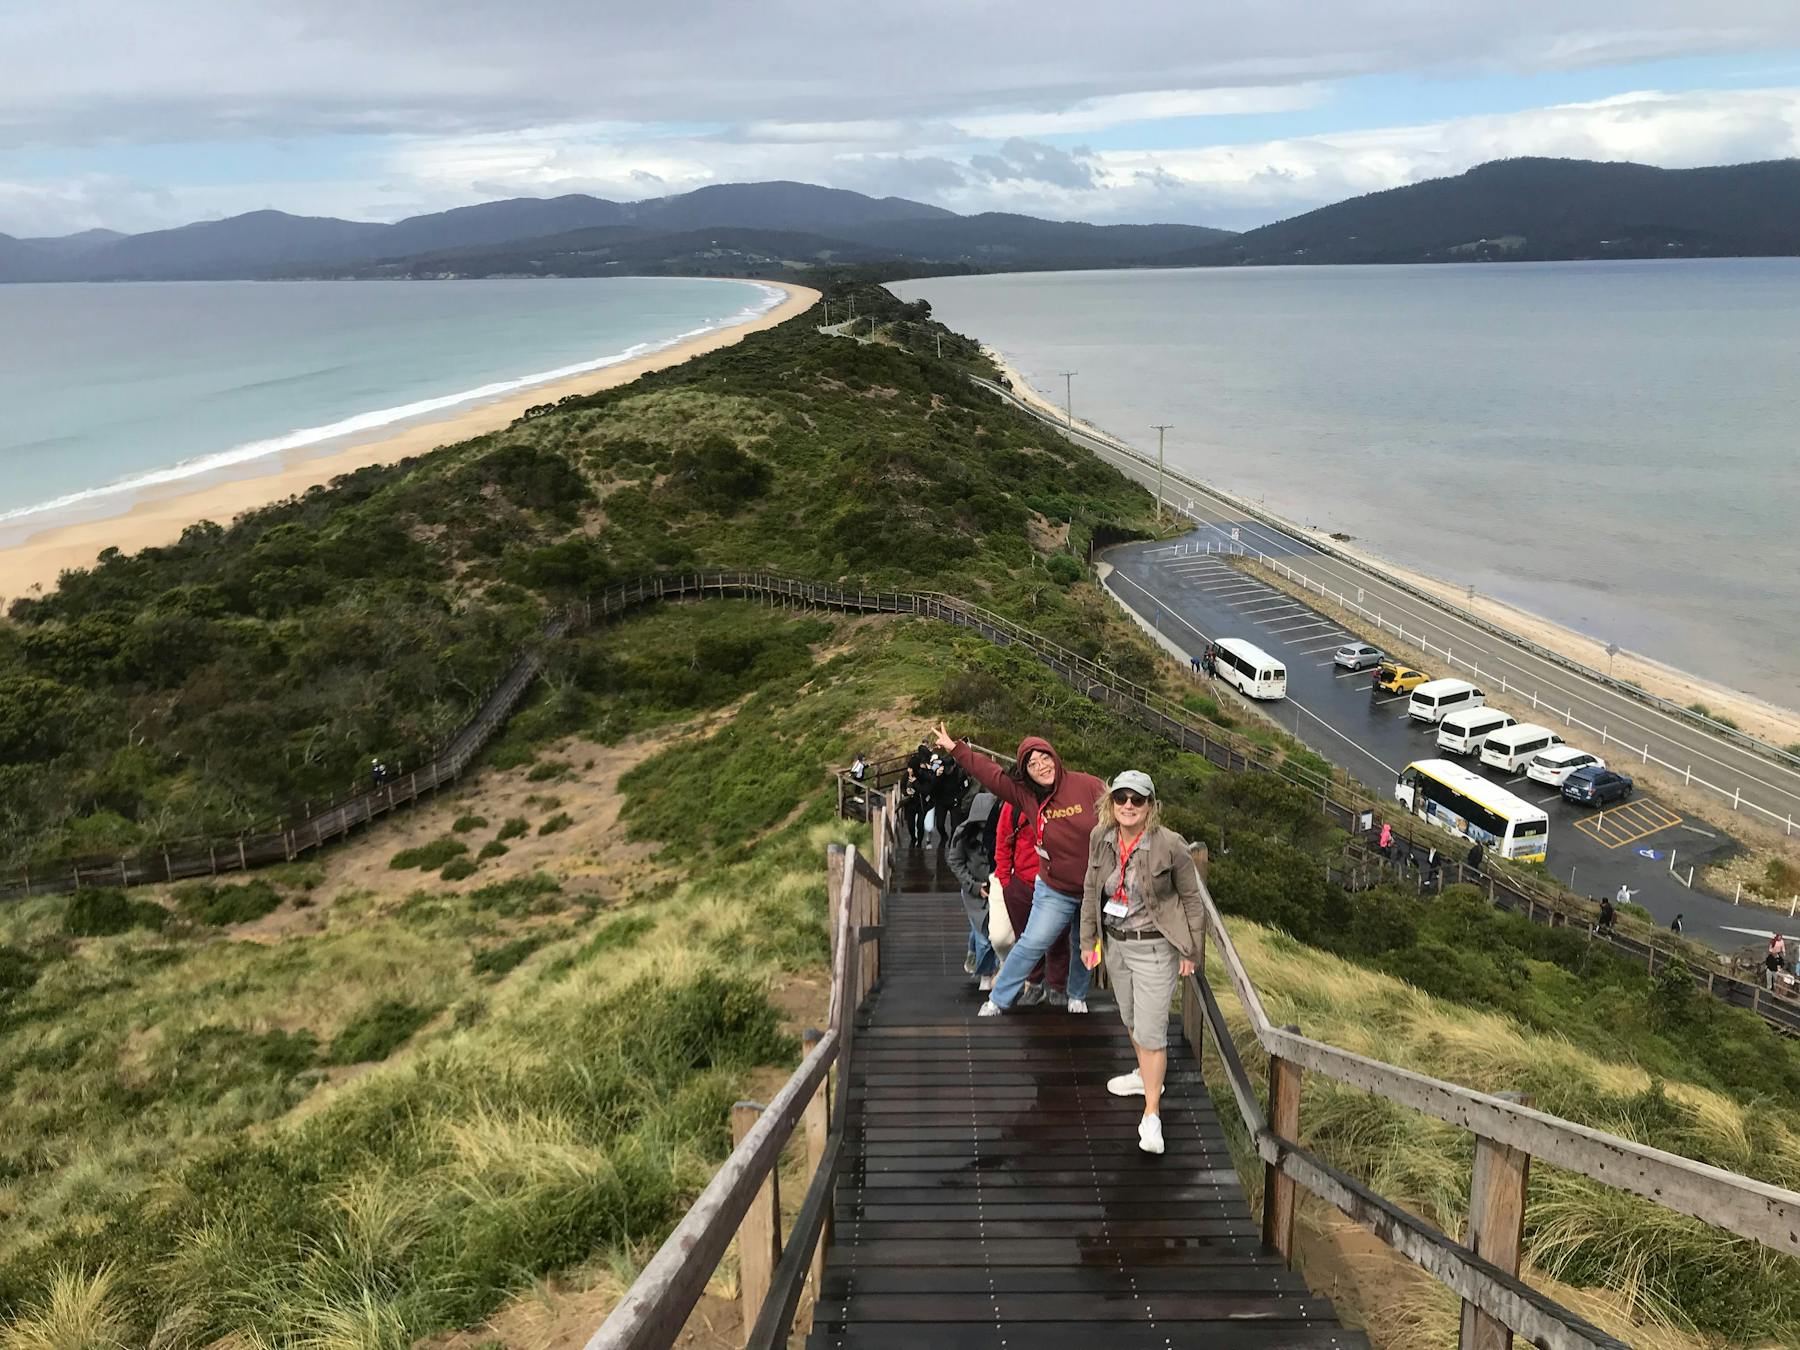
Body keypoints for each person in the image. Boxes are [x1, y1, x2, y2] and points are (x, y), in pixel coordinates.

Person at [1079, 769, 1206, 1156]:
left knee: (1151, 1034)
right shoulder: (1100, 838)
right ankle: (1144, 1076)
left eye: (1137, 799)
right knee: (1132, 1019)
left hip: (1154, 948)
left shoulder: (1170, 845)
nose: (1129, 806)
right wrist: (1088, 941)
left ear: (1151, 805)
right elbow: (1089, 888)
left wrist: (1191, 950)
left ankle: (1152, 1114)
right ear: (1111, 802)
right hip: (1116, 945)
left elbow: (1191, 899)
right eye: (1121, 798)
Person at [933, 725, 1102, 1016]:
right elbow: (991, 774)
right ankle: (998, 999)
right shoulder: (1026, 797)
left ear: (1055, 757)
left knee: (1088, 943)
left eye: (1045, 758)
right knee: (1032, 942)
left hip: (1092, 888)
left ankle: (1078, 994)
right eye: (1033, 764)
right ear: (1026, 772)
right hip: (1055, 890)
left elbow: (1121, 812)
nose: (1042, 766)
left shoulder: (1087, 785)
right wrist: (956, 749)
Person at [995, 799, 1068, 1005]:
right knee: (1026, 938)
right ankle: (1034, 984)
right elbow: (1003, 839)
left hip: (1056, 883)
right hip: (1022, 882)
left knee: (1058, 937)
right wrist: (1006, 881)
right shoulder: (1015, 803)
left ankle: (1057, 987)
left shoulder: (1064, 801)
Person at [946, 792, 1001, 990]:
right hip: (973, 890)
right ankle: (986, 974)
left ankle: (975, 954)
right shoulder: (963, 833)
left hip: (997, 888)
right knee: (984, 935)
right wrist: (974, 886)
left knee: (990, 931)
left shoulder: (1002, 829)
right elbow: (955, 861)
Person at [899, 766, 926, 847]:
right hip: (909, 804)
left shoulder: (921, 776)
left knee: (920, 824)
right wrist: (906, 792)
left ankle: (920, 842)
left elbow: (924, 789)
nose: (909, 770)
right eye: (909, 768)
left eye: (911, 769)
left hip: (920, 803)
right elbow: (902, 787)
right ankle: (913, 838)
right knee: (910, 824)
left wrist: (916, 784)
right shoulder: (905, 776)